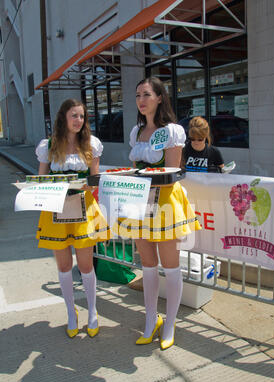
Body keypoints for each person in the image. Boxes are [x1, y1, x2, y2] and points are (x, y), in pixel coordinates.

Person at [114, 77, 201, 350]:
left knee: (171, 267)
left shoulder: (173, 131)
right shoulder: (136, 133)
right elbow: (135, 168)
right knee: (148, 267)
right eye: (138, 95)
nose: (141, 100)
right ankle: (151, 321)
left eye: (147, 94)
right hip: (140, 204)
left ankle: (171, 323)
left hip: (164, 203)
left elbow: (172, 173)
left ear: (160, 98)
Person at [35, 98, 111, 338]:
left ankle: (92, 312)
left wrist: (86, 186)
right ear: (63, 118)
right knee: (65, 266)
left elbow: (95, 180)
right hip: (56, 211)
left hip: (83, 210)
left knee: (86, 266)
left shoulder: (91, 144)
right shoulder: (48, 146)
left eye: (82, 116)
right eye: (74, 115)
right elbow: (41, 180)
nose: (79, 120)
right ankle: (71, 313)